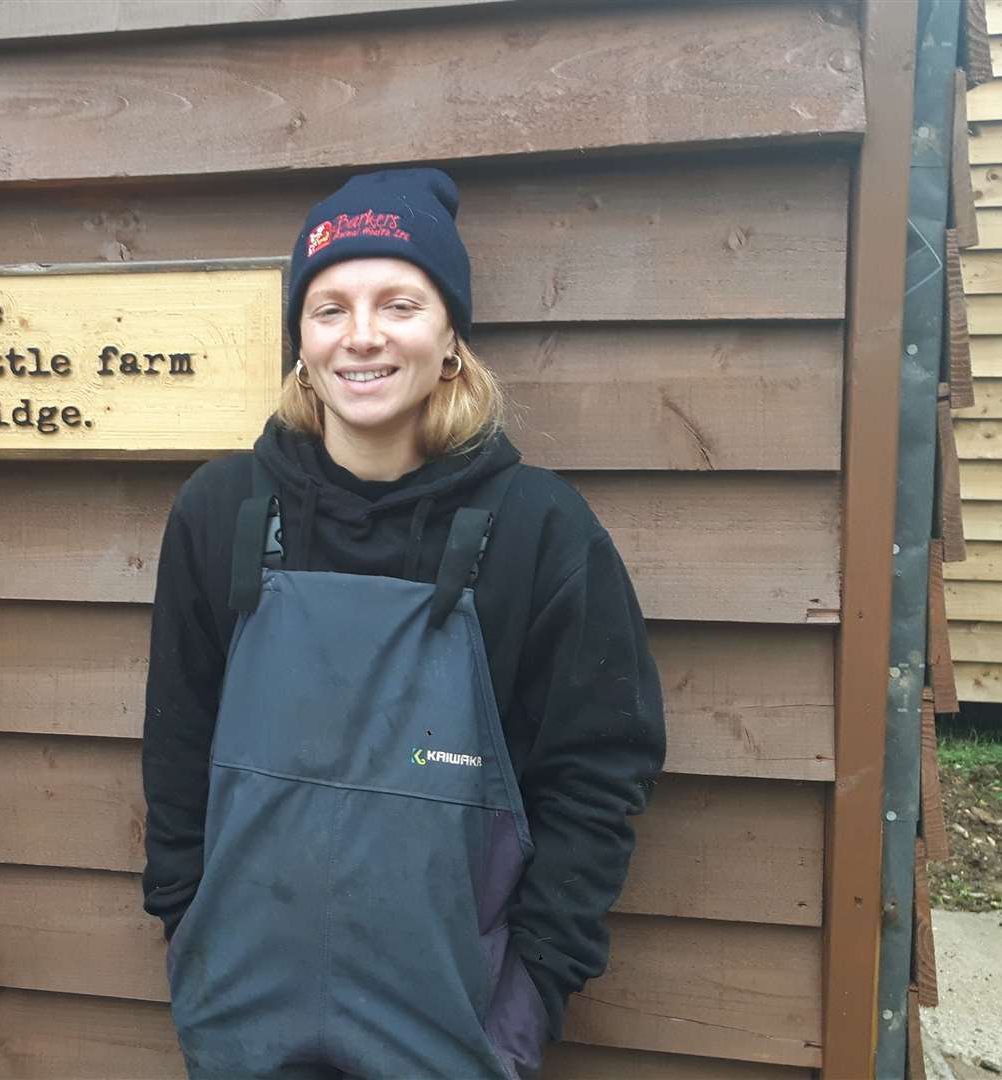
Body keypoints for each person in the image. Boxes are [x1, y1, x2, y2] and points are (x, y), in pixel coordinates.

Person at [141, 167, 665, 1080]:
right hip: (238, 1016)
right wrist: (188, 924)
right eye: (330, 308)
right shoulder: (220, 510)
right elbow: (178, 745)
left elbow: (597, 774)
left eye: (400, 303)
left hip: (453, 1027)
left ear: (451, 335)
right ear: (300, 342)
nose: (363, 337)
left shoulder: (540, 530)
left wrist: (530, 989)